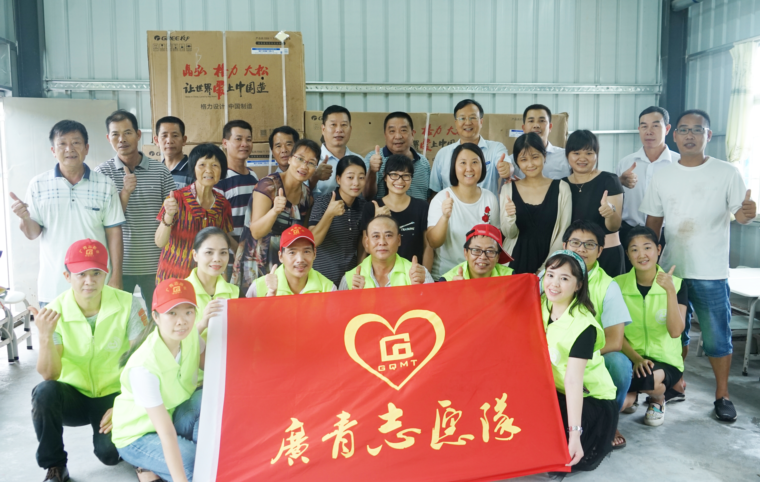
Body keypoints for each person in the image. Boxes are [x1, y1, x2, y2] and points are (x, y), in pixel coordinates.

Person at [640, 109, 757, 422]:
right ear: (674, 135)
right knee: (674, 335)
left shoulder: (726, 172)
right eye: (684, 129)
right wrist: (649, 262)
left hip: (710, 271)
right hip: (672, 271)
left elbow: (741, 215)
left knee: (717, 336)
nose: (689, 135)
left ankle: (722, 395)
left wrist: (747, 212)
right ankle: (676, 384)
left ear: (709, 135)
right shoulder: (663, 174)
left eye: (697, 129)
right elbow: (653, 222)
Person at [29, 239, 147, 482]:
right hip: (74, 395)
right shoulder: (54, 311)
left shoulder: (128, 304)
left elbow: (143, 361)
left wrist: (126, 403)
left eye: (96, 273)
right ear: (67, 276)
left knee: (109, 455)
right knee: (44, 392)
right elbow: (50, 374)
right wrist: (45, 336)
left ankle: (132, 444)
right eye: (81, 274)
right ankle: (55, 466)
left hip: (114, 394)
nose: (89, 281)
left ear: (106, 274)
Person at [10, 120, 125, 305]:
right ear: (53, 150)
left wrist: (116, 276)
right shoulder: (38, 185)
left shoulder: (105, 184)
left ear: (86, 148)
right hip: (53, 287)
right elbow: (32, 234)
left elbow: (114, 233)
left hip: (95, 286)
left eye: (76, 142)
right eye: (62, 143)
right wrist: (24, 218)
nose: (69, 149)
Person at [111, 278, 205, 482]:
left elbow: (211, 367)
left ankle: (164, 465)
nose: (182, 321)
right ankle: (147, 465)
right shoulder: (144, 366)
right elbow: (166, 433)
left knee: (205, 398)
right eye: (172, 313)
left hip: (172, 415)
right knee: (195, 465)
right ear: (155, 316)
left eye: (188, 312)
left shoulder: (189, 335)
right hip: (138, 435)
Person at [541, 250, 618, 472]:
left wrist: (575, 434)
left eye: (564, 278)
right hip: (556, 390)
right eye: (550, 275)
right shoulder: (542, 303)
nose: (554, 283)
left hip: (590, 399)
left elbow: (574, 381)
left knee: (555, 457)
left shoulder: (584, 326)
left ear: (578, 285)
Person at [96, 109, 175, 318]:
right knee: (117, 320)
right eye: (115, 134)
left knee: (160, 318)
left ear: (138, 135)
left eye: (127, 133)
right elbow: (101, 221)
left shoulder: (160, 171)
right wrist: (125, 193)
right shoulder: (102, 174)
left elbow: (171, 216)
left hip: (157, 264)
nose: (121, 139)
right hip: (118, 266)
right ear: (108, 138)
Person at [562, 220, 632, 449]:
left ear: (600, 251)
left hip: (591, 355)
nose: (581, 249)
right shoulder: (549, 277)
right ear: (565, 245)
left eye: (589, 244)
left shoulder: (608, 286)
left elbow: (615, 341)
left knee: (620, 364)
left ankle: (610, 420)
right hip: (554, 352)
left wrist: (578, 358)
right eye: (575, 242)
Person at [616, 226, 688, 428]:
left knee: (650, 381)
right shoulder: (617, 285)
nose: (642, 255)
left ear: (658, 249)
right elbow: (615, 332)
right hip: (631, 357)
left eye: (647, 247)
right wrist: (636, 358)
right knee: (619, 398)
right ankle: (631, 397)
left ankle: (657, 398)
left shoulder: (678, 285)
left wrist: (670, 292)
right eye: (634, 249)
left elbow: (675, 331)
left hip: (665, 361)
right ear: (627, 254)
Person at [232, 138, 318, 294]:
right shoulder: (268, 186)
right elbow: (256, 231)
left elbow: (301, 235)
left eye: (311, 163)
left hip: (285, 264)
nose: (304, 166)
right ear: (290, 159)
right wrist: (274, 211)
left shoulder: (307, 196)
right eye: (300, 159)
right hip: (256, 260)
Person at [155, 144, 234, 283]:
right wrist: (169, 215)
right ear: (193, 168)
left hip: (207, 281)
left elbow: (223, 241)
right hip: (174, 278)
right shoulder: (176, 199)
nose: (208, 170)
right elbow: (160, 242)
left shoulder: (223, 205)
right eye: (202, 165)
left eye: (215, 165)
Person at [615, 106, 680, 272]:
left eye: (655, 126)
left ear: (667, 129)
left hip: (668, 235)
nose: (649, 131)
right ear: (639, 129)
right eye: (644, 126)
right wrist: (619, 182)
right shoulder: (625, 163)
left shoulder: (679, 164)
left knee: (664, 279)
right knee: (629, 280)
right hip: (629, 232)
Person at [500, 132, 572, 274]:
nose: (530, 164)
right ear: (517, 162)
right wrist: (509, 216)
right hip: (512, 266)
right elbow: (509, 234)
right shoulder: (508, 189)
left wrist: (546, 268)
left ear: (544, 156)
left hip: (550, 267)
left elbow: (563, 232)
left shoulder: (562, 188)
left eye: (535, 157)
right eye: (523, 159)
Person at [427, 143, 500, 279]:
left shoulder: (490, 198)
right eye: (463, 163)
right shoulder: (441, 198)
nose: (469, 168)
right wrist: (444, 217)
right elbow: (433, 242)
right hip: (447, 276)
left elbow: (495, 241)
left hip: (480, 276)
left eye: (475, 162)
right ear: (454, 167)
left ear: (482, 166)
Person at [562, 130, 625, 277]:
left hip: (607, 253)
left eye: (589, 153)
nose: (582, 158)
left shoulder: (610, 180)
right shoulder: (561, 184)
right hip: (574, 256)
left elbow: (614, 226)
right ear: (567, 155)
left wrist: (610, 212)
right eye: (576, 153)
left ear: (596, 155)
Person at [359, 154, 433, 270]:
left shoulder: (422, 207)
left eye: (406, 176)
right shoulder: (372, 207)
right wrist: (377, 220)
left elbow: (428, 247)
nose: (400, 180)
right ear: (385, 177)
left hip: (411, 275)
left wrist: (425, 276)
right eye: (394, 175)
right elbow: (367, 248)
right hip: (379, 275)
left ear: (411, 178)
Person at [429, 99, 511, 198]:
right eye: (462, 118)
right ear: (455, 123)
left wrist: (507, 168)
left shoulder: (495, 148)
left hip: (487, 207)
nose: (468, 122)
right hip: (452, 207)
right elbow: (435, 191)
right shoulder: (443, 154)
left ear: (481, 121)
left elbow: (507, 165)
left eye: (473, 117)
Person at [308, 155, 368, 286]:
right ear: (338, 179)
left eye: (361, 177)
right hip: (322, 279)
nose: (356, 183)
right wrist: (329, 214)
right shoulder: (323, 202)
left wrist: (359, 272)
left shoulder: (364, 206)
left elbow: (362, 244)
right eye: (350, 177)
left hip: (349, 279)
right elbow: (312, 241)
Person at [339, 215, 432, 289]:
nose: (382, 242)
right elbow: (340, 308)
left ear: (399, 240)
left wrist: (419, 291)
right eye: (376, 236)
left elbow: (433, 306)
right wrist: (354, 297)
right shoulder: (350, 279)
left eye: (388, 235)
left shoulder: (419, 274)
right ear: (366, 242)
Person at [247, 225, 336, 297]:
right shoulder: (258, 288)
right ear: (280, 256)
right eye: (292, 252)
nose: (300, 260)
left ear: (314, 254)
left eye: (306, 251)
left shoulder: (328, 288)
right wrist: (270, 295)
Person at [363, 112, 431, 201]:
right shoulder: (373, 158)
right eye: (392, 131)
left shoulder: (423, 163)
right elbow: (366, 196)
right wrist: (372, 171)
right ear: (385, 135)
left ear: (413, 134)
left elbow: (428, 197)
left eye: (403, 130)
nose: (398, 136)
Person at [185, 227, 239, 339]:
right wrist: (202, 324)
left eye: (223, 252)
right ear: (195, 255)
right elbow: (171, 342)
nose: (217, 259)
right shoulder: (180, 293)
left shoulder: (236, 293)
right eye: (209, 252)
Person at [215, 120, 258, 246]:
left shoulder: (253, 176)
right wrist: (236, 250)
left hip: (252, 249)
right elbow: (216, 223)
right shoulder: (219, 178)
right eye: (238, 139)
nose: (244, 144)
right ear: (225, 143)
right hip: (229, 251)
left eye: (248, 139)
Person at [311, 105, 363, 196]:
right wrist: (314, 177)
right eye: (333, 125)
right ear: (323, 129)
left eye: (344, 125)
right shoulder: (311, 161)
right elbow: (300, 194)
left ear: (350, 129)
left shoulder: (359, 160)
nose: (339, 130)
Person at [512, 104, 570, 180]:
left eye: (542, 121)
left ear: (550, 127)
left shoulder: (566, 156)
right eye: (531, 121)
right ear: (524, 128)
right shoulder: (512, 161)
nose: (536, 125)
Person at [439, 224, 514, 281]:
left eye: (490, 251)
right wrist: (453, 292)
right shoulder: (447, 281)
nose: (483, 257)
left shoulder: (510, 278)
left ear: (498, 256)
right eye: (476, 250)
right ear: (466, 253)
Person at [154, 116, 192, 189]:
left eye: (175, 136)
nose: (169, 141)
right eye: (164, 136)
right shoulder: (155, 172)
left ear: (184, 140)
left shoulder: (194, 170)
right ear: (156, 140)